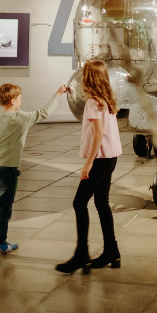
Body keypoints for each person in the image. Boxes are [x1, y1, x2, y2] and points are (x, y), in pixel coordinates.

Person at [0, 83, 68, 253]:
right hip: (7, 171)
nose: (21, 101)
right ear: (12, 101)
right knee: (4, 207)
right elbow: (44, 112)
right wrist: (58, 94)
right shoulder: (21, 118)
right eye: (20, 99)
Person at [55, 60, 123, 274]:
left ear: (89, 78)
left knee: (79, 203)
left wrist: (88, 163)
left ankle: (81, 254)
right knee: (102, 204)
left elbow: (97, 135)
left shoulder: (93, 103)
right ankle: (112, 251)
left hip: (101, 159)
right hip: (111, 157)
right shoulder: (107, 100)